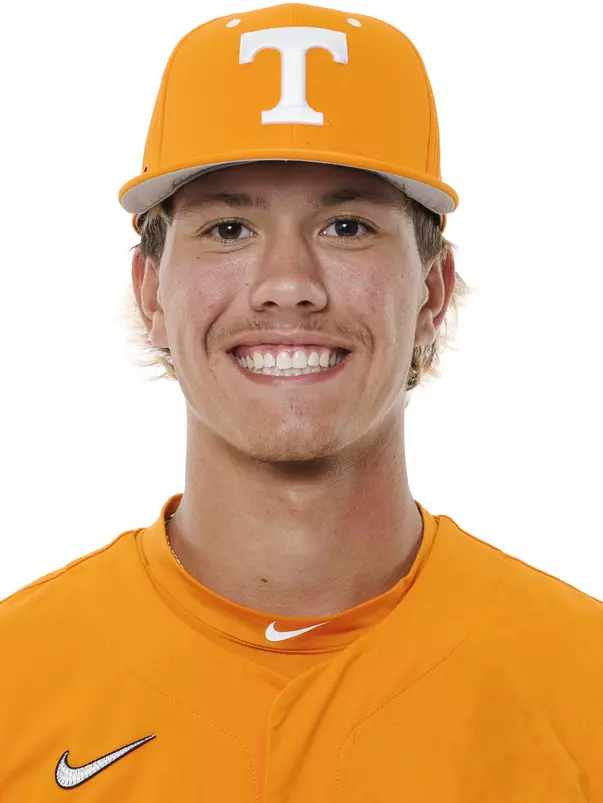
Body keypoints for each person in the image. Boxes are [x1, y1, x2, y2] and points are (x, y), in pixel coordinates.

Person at [1, 3, 602, 800]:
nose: (287, 284)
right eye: (227, 229)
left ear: (432, 292)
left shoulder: (581, 682)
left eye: (347, 225)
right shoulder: (18, 678)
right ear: (150, 292)